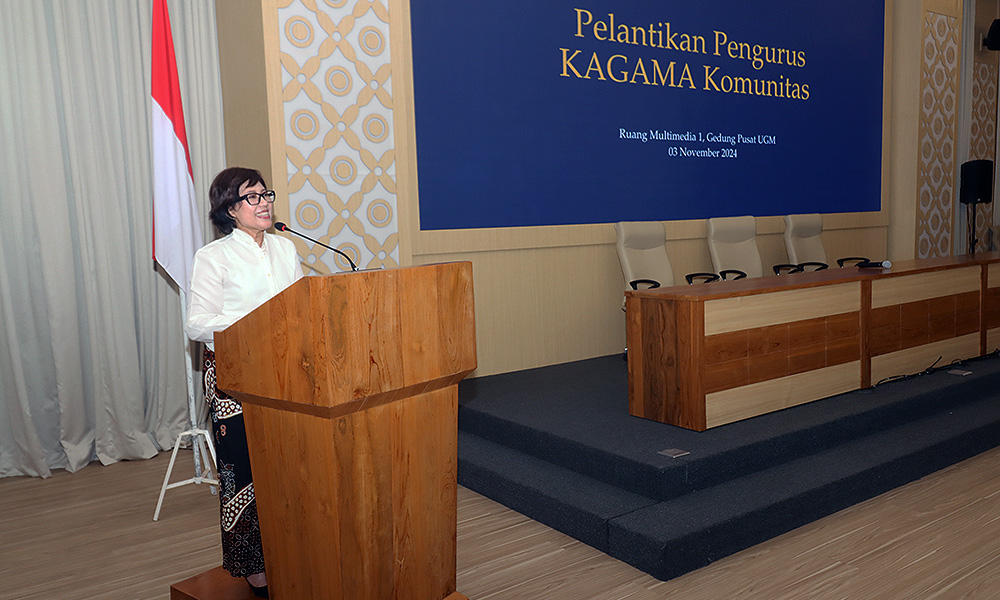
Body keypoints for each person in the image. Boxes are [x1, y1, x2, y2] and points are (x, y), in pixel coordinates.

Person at [184, 167, 303, 598]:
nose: (264, 203)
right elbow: (197, 324)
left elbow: (300, 308)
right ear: (231, 209)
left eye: (265, 194)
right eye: (252, 197)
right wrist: (256, 323)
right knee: (244, 470)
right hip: (235, 378)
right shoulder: (213, 257)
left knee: (288, 467)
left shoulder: (286, 248)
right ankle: (254, 567)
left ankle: (292, 549)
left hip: (285, 373)